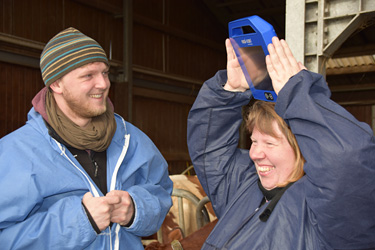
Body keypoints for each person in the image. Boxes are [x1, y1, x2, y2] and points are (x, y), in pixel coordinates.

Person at [187, 36, 375, 249]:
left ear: (303, 149)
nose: (255, 153)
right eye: (254, 141)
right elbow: (210, 149)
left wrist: (297, 97)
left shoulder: (328, 216)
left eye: (269, 143)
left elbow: (348, 159)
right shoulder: (243, 188)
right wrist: (230, 90)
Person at [0, 27, 173, 249]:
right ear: (56, 84)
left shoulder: (131, 139)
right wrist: (80, 222)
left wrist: (136, 210)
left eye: (104, 72)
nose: (103, 84)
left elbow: (161, 193)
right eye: (88, 75)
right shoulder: (15, 153)